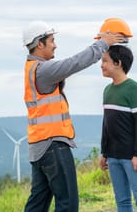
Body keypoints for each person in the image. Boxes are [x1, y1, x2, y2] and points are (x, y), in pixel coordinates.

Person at [22, 20, 124, 212]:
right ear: (39, 44)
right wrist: (103, 43)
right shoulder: (43, 70)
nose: (55, 45)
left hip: (39, 147)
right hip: (53, 145)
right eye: (51, 40)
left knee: (38, 203)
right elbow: (74, 63)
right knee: (67, 203)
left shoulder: (32, 70)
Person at [99, 44, 137, 211]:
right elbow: (106, 124)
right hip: (113, 156)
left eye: (105, 61)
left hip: (132, 157)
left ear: (118, 63)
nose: (101, 65)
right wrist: (104, 152)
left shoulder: (134, 89)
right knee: (122, 202)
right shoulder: (107, 90)